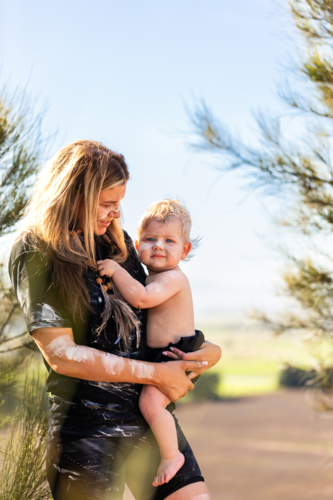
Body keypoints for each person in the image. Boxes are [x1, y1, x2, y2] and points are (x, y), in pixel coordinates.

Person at [9, 140, 221, 500]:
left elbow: (151, 314)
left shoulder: (116, 242)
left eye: (119, 203)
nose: (115, 213)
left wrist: (204, 352)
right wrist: (156, 374)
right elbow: (61, 354)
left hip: (148, 420)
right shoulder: (34, 250)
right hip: (85, 434)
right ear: (74, 194)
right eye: (106, 204)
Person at [97, 199, 205, 488]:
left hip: (176, 353)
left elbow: (141, 298)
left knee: (150, 403)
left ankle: (172, 456)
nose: (158, 245)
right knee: (151, 403)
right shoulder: (153, 275)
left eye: (169, 240)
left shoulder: (172, 278)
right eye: (150, 239)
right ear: (137, 245)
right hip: (164, 353)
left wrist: (114, 270)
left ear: (185, 250)